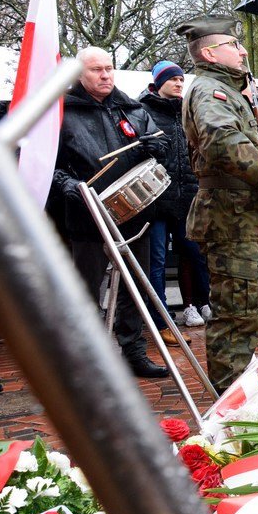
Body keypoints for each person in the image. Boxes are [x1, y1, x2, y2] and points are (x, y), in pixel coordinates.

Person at [49, 47, 169, 378]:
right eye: (96, 70)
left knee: (136, 288)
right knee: (86, 291)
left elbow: (161, 148)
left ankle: (134, 353)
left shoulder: (132, 108)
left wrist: (157, 148)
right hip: (87, 216)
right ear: (79, 75)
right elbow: (46, 164)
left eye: (109, 68)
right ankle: (86, 361)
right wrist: (67, 185)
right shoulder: (61, 113)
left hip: (136, 213)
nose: (105, 75)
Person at [179, 15, 258, 392]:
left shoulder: (228, 90)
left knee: (244, 315)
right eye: (233, 45)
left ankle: (235, 394)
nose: (243, 52)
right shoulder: (210, 90)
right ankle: (230, 402)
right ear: (210, 53)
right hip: (231, 219)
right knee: (235, 318)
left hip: (242, 217)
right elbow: (222, 141)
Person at [139, 60, 210, 343]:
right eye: (173, 79)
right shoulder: (142, 111)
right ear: (158, 83)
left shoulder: (188, 112)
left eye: (181, 79)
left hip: (187, 197)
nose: (179, 83)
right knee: (156, 262)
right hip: (156, 199)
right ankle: (162, 321)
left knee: (197, 254)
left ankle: (204, 303)